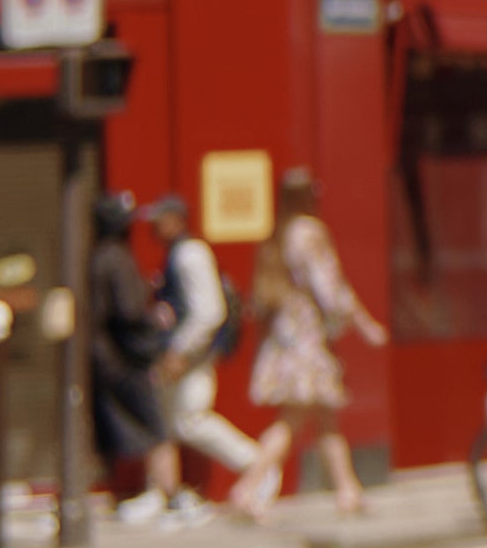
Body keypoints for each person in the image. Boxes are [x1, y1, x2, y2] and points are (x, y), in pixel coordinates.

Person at [244, 168, 385, 510]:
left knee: (325, 419)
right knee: (293, 420)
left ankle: (347, 490)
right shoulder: (310, 233)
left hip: (287, 334)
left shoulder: (279, 233)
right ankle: (247, 487)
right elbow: (330, 287)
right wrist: (363, 324)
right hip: (307, 336)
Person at [140, 193, 273, 511]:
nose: (153, 229)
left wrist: (179, 351)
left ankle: (259, 467)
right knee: (168, 420)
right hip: (187, 353)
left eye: (159, 220)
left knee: (189, 420)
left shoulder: (189, 255)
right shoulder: (178, 254)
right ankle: (162, 491)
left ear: (176, 220)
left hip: (192, 355)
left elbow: (209, 311)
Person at [82, 194, 176, 507]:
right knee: (154, 424)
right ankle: (167, 493)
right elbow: (127, 310)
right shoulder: (116, 258)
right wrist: (155, 320)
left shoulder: (98, 257)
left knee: (118, 423)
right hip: (123, 357)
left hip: (105, 354)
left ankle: (155, 491)